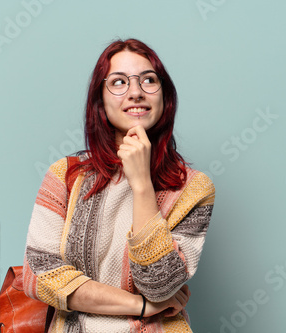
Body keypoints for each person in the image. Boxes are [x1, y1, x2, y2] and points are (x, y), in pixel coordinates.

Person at [23, 38, 215, 332]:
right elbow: (38, 276)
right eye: (119, 82)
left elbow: (160, 286)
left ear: (165, 96)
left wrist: (141, 185)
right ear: (100, 100)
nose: (136, 92)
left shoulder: (194, 189)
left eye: (149, 80)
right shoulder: (65, 175)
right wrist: (140, 306)